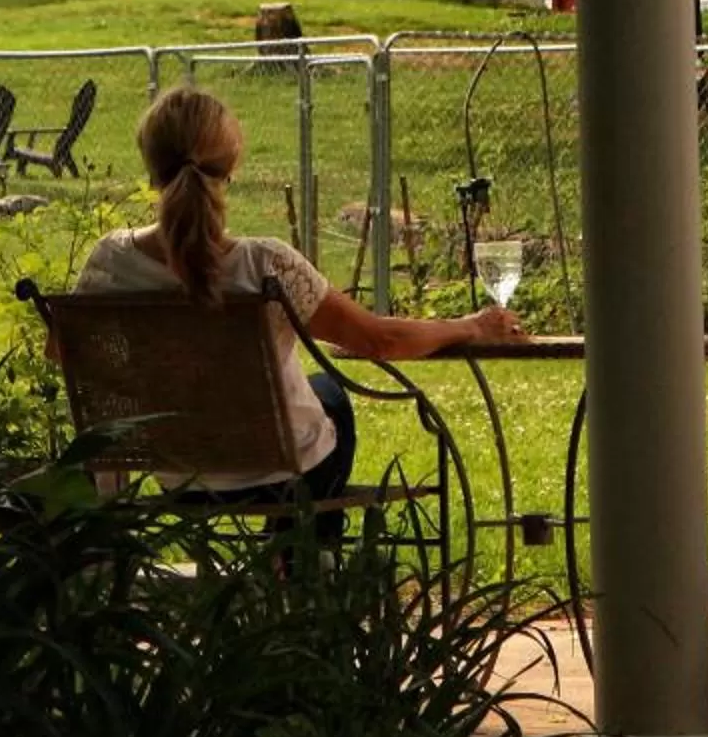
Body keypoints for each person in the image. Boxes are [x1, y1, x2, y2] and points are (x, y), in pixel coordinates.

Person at [65, 85, 525, 508]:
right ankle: (307, 565)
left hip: (178, 475)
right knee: (330, 394)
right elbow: (380, 341)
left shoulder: (112, 260)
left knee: (316, 395)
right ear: (234, 161)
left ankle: (296, 566)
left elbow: (67, 355)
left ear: (150, 162)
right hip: (284, 475)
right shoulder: (264, 264)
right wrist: (471, 325)